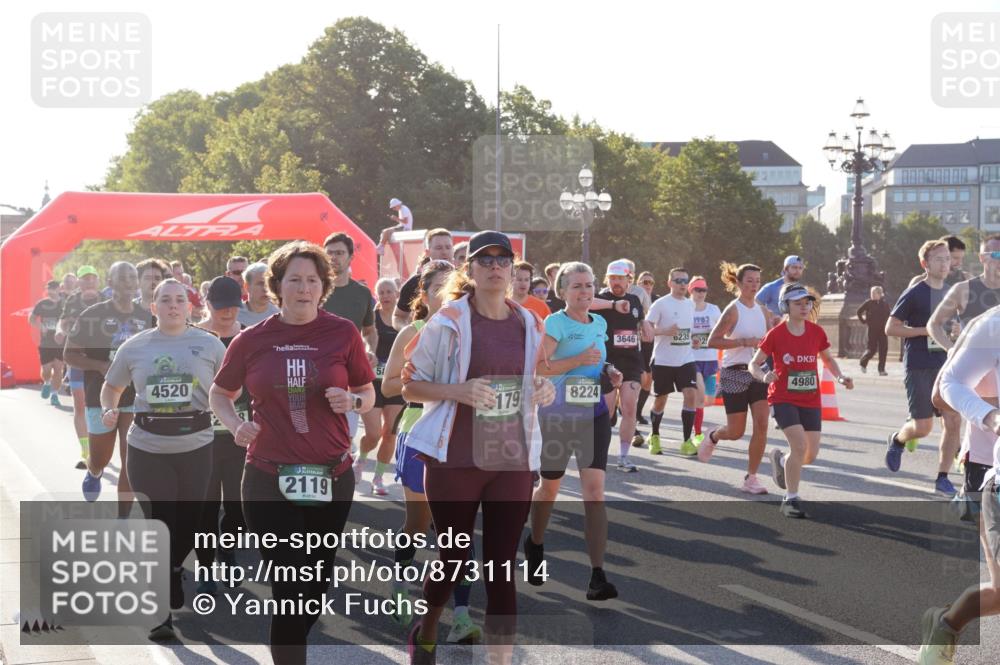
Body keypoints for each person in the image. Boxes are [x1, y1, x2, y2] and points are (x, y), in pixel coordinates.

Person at [210, 241, 375, 665]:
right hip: (268, 477)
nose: (304, 288)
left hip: (332, 475)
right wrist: (235, 425)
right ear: (277, 287)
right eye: (295, 280)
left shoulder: (343, 333)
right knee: (289, 588)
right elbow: (220, 393)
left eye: (312, 280)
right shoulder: (252, 339)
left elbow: (368, 393)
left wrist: (353, 403)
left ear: (324, 287)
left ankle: (285, 648)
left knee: (315, 587)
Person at [400, 230, 554, 665]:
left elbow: (532, 377)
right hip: (455, 458)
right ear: (469, 270)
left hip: (511, 457)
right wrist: (459, 390)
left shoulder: (528, 321)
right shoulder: (447, 321)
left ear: (512, 268)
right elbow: (408, 387)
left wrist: (543, 389)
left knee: (501, 567)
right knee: (452, 558)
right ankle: (427, 628)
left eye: (502, 259)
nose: (494, 266)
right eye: (484, 260)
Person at [100, 278, 227, 640]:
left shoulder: (210, 345)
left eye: (179, 300)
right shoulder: (134, 347)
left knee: (187, 525)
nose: (173, 306)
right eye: (165, 301)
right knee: (159, 521)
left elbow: (229, 386)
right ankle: (159, 614)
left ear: (189, 308)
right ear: (153, 308)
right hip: (147, 447)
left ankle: (172, 569)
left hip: (196, 446)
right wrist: (110, 409)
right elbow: (112, 388)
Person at [382, 259, 483, 643]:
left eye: (458, 287)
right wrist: (420, 380)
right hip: (420, 434)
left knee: (456, 533)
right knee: (419, 522)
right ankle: (400, 587)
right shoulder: (413, 330)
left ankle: (460, 616)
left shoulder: (473, 329)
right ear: (424, 295)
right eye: (443, 288)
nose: (453, 295)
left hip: (462, 436)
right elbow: (390, 386)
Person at [525, 261, 622, 601]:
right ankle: (535, 542)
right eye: (577, 286)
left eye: (589, 285)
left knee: (594, 492)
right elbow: (540, 368)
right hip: (558, 415)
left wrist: (609, 370)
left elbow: (597, 361)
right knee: (549, 487)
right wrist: (578, 361)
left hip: (593, 414)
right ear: (563, 291)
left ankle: (598, 575)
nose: (585, 291)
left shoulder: (600, 322)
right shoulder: (556, 323)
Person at [920, 307, 1000, 663]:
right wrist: (989, 413)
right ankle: (947, 623)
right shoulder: (992, 326)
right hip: (987, 466)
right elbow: (944, 389)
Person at [751, 283, 853, 518]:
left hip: (810, 399)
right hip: (782, 397)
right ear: (785, 306)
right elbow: (753, 363)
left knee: (809, 454)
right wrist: (764, 375)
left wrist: (840, 376)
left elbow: (828, 359)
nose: (804, 307)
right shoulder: (776, 334)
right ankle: (791, 499)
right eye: (798, 303)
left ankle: (782, 462)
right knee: (799, 446)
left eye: (807, 302)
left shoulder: (816, 332)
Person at [65, 262, 153, 513]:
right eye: (122, 277)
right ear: (110, 281)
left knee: (130, 461)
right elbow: (69, 354)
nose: (128, 281)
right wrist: (100, 365)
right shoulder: (94, 314)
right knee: (101, 456)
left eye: (132, 277)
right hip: (100, 395)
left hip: (135, 396)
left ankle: (123, 519)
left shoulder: (146, 316)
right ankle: (94, 471)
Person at [884, 240, 962, 497]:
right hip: (918, 364)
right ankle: (898, 440)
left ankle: (942, 478)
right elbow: (891, 328)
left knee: (953, 420)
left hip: (945, 366)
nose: (944, 263)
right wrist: (925, 330)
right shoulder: (915, 293)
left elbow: (954, 326)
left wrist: (956, 333)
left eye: (947, 259)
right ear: (925, 264)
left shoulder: (952, 293)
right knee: (924, 427)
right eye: (938, 259)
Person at [194, 277, 250, 596]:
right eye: (220, 307)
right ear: (208, 304)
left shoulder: (250, 336)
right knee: (205, 504)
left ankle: (226, 553)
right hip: (202, 435)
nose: (227, 313)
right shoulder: (195, 335)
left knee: (237, 503)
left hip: (241, 434)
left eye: (232, 307)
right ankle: (204, 567)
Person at [699, 262, 771, 495]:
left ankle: (751, 478)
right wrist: (742, 342)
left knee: (762, 423)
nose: (754, 285)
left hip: (758, 372)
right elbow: (713, 341)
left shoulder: (762, 309)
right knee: (736, 431)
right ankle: (713, 434)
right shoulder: (733, 309)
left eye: (757, 281)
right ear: (739, 283)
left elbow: (770, 339)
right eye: (749, 281)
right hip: (734, 372)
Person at [593, 260, 652, 471]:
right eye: (612, 278)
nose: (616, 282)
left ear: (629, 280)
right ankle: (600, 453)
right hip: (607, 361)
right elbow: (585, 304)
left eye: (620, 278)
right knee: (607, 412)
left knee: (629, 408)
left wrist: (645, 327)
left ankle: (624, 457)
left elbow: (640, 323)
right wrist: (611, 305)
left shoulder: (635, 300)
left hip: (631, 362)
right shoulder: (600, 298)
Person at [323, 232, 379, 442]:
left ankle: (345, 468)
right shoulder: (313, 290)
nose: (333, 258)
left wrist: (369, 350)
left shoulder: (362, 293)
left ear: (350, 257)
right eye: (329, 253)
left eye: (339, 253)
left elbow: (369, 331)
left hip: (350, 373)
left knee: (345, 436)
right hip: (316, 371)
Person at [354, 278, 405, 495]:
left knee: (390, 433)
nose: (385, 296)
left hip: (395, 384)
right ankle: (361, 459)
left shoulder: (405, 320)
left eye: (389, 292)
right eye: (381, 292)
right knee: (373, 434)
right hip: (373, 384)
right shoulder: (372, 320)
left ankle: (378, 478)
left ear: (396, 295)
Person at [645, 267, 699, 456]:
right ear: (670, 283)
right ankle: (654, 435)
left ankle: (686, 441)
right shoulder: (660, 304)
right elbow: (646, 331)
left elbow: (687, 331)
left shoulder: (690, 304)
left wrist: (693, 340)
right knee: (661, 400)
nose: (682, 285)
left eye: (685, 281)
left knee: (691, 394)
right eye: (678, 281)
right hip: (663, 360)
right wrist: (664, 331)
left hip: (686, 359)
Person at [59, 265, 103, 469]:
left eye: (93, 278)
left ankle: (101, 445)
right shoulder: (72, 300)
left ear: (98, 280)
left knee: (101, 404)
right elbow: (64, 322)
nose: (90, 281)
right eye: (85, 278)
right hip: (77, 358)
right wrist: (63, 331)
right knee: (80, 403)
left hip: (99, 359)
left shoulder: (105, 299)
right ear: (79, 281)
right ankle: (86, 451)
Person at [394, 228, 454, 330]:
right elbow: (397, 317)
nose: (444, 252)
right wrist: (415, 331)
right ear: (427, 252)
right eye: (439, 248)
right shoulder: (415, 282)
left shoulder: (463, 280)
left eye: (448, 247)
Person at [689, 276, 721, 444]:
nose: (701, 293)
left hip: (710, 359)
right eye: (697, 290)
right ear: (691, 290)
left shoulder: (713, 310)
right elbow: (678, 331)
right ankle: (698, 434)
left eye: (704, 290)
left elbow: (723, 330)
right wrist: (690, 339)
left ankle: (690, 414)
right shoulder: (686, 308)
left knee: (707, 400)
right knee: (700, 395)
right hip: (691, 359)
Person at [30, 280, 65, 406]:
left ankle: (55, 394)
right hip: (45, 342)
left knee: (58, 369)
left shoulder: (64, 303)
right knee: (46, 369)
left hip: (60, 341)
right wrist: (41, 326)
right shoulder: (42, 303)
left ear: (58, 289)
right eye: (48, 288)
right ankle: (47, 383)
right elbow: (32, 318)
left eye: (53, 288)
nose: (50, 290)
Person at [635, 271, 661, 427]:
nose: (648, 285)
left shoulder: (657, 301)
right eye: (645, 282)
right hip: (636, 344)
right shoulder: (634, 300)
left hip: (652, 344)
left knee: (648, 382)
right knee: (641, 378)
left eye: (651, 283)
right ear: (638, 284)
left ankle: (638, 412)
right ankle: (624, 407)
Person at [856, 286, 890, 375]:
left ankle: (881, 370)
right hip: (872, 330)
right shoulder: (868, 303)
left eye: (874, 293)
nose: (872, 295)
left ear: (880, 294)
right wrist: (863, 321)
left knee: (883, 350)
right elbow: (859, 311)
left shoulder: (885, 304)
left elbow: (889, 316)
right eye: (871, 293)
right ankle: (863, 363)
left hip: (883, 330)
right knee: (872, 349)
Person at [238, 261, 280, 326]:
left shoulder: (280, 316)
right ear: (246, 287)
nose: (265, 289)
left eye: (268, 283)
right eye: (260, 284)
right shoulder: (235, 315)